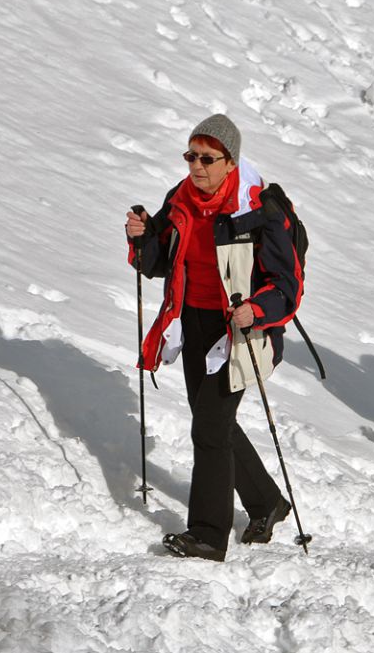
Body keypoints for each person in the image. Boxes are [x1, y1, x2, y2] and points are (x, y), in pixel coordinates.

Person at [124, 114, 302, 562]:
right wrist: (143, 238)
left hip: (244, 333)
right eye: (191, 156)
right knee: (214, 422)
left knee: (208, 426)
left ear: (230, 161)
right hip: (197, 324)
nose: (196, 166)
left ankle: (208, 534)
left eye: (207, 158)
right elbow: (160, 262)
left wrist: (256, 309)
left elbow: (288, 285)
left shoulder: (259, 208)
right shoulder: (180, 199)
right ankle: (267, 503)